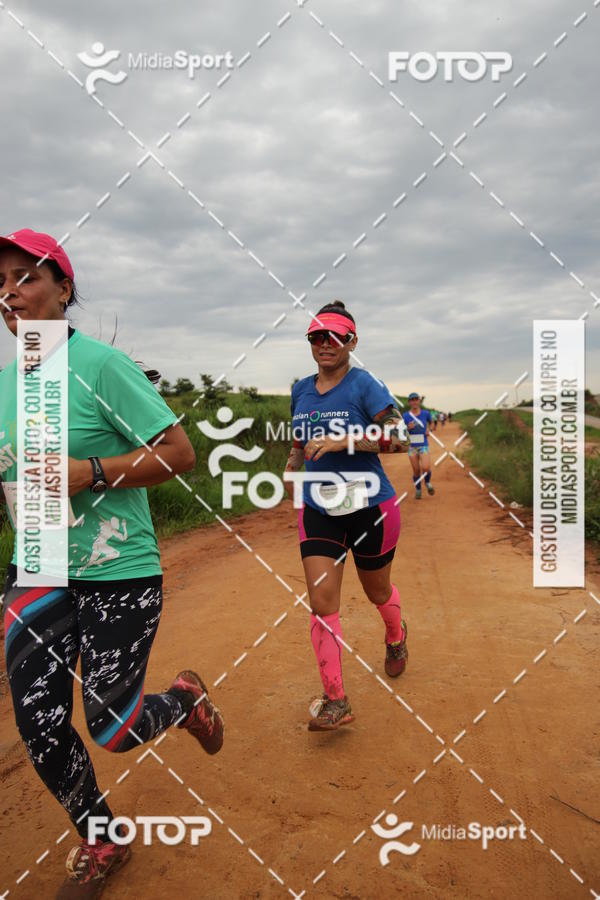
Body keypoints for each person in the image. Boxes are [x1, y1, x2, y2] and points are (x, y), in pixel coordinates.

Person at [0, 230, 224, 898]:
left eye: (25, 277)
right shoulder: (7, 385)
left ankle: (182, 701)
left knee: (114, 727)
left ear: (65, 289)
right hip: (36, 569)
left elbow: (179, 454)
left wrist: (87, 472)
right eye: (0, 283)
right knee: (39, 722)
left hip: (117, 569)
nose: (9, 293)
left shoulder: (100, 367)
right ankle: (101, 836)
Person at [284, 300, 408, 732]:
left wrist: (343, 442)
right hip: (320, 508)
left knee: (377, 592)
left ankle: (396, 634)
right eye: (317, 337)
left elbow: (401, 437)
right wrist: (292, 467)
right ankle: (336, 699)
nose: (325, 344)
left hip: (370, 506)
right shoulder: (301, 389)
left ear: (351, 341)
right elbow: (299, 442)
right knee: (321, 602)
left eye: (335, 336)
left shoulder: (364, 385)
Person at [402, 392, 434, 499]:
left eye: (416, 399)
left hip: (423, 444)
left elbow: (432, 422)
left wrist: (429, 429)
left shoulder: (425, 413)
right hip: (412, 446)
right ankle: (418, 490)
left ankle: (428, 482)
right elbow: (400, 431)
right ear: (409, 402)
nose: (415, 401)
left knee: (425, 467)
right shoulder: (405, 416)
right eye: (412, 400)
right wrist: (407, 428)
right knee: (416, 470)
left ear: (419, 401)